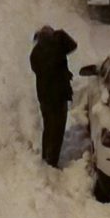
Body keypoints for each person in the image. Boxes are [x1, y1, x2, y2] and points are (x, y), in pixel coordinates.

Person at [29, 26, 77, 168]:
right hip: (59, 96)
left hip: (44, 97)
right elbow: (73, 45)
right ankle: (52, 161)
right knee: (58, 129)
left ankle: (46, 157)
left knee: (48, 127)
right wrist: (61, 33)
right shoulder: (58, 48)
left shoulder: (35, 53)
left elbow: (36, 68)